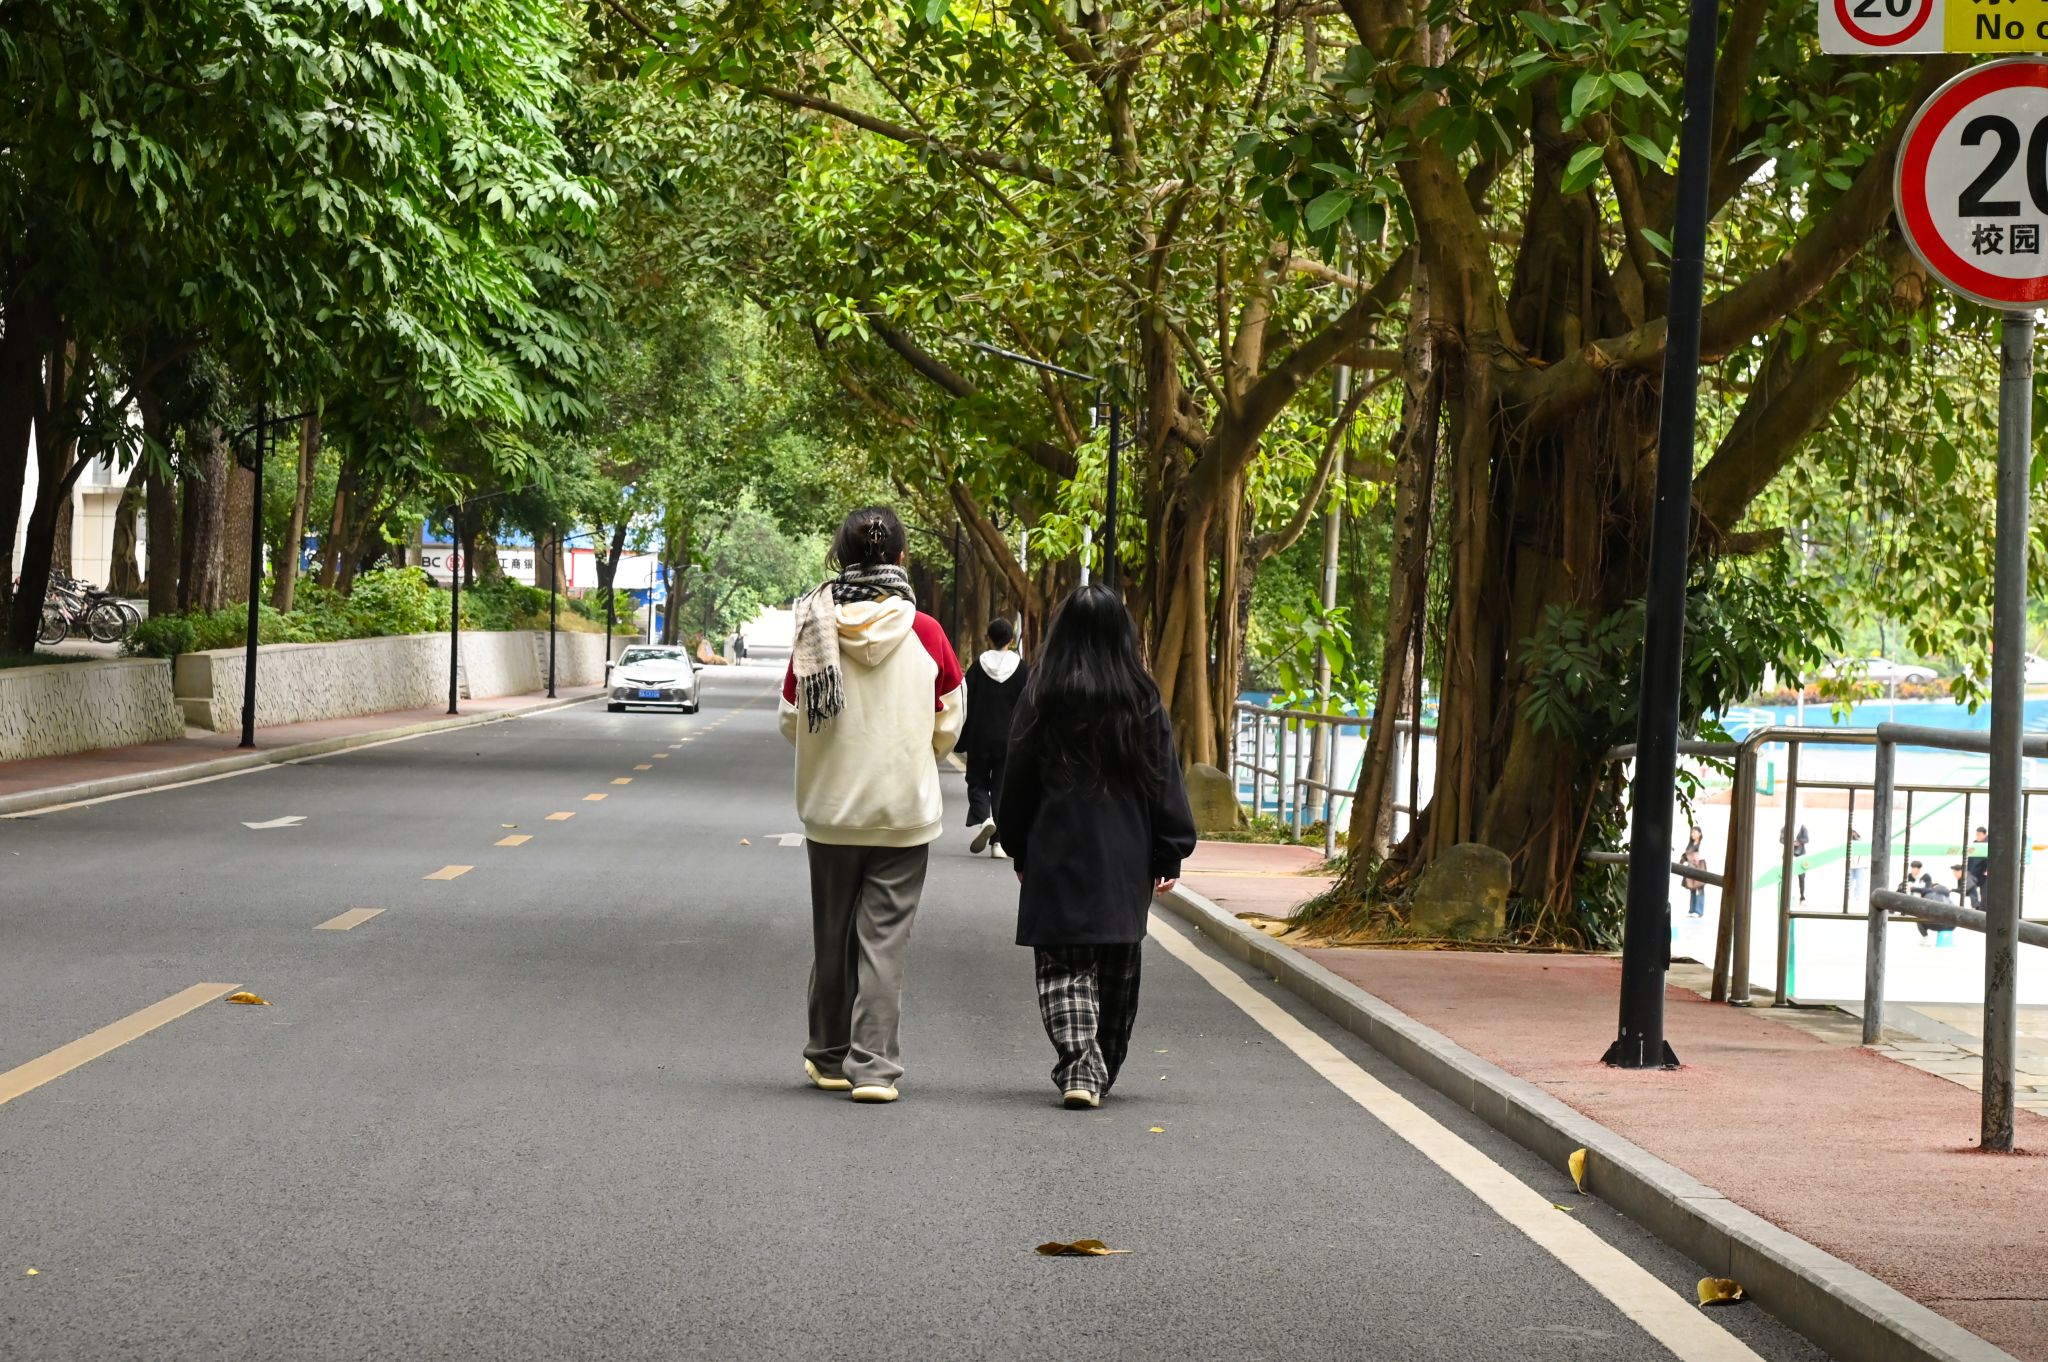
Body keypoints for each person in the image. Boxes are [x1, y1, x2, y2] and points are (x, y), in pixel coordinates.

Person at [780, 506, 965, 1104]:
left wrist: (829, 753)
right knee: (883, 943)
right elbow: (949, 720)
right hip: (904, 813)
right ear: (902, 558)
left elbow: (791, 718)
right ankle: (875, 1068)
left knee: (831, 936)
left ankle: (829, 1057)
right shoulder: (927, 633)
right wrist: (913, 755)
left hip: (831, 813)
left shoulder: (815, 627)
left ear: (839, 557)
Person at [1000, 585, 1198, 1110]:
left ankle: (1080, 1067)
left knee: (1061, 968)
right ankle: (1097, 1066)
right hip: (1124, 857)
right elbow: (1164, 780)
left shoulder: (1042, 696)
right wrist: (1170, 850)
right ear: (1121, 635)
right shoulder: (1141, 699)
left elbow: (1017, 780)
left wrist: (1018, 846)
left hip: (1056, 849)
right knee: (1117, 970)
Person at [959, 616, 1028, 859]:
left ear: (988, 638)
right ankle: (998, 844)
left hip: (980, 737)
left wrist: (962, 735)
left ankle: (984, 817)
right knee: (1001, 788)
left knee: (977, 781)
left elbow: (964, 701)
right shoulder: (1022, 669)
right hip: (1010, 739)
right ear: (1011, 639)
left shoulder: (978, 667)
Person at [1680, 826, 1708, 918]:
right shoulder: (1690, 845)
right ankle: (1692, 909)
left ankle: (1699, 911)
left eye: (1695, 832)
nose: (1693, 834)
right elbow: (1686, 855)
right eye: (1692, 832)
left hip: (1700, 867)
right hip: (1691, 868)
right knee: (1692, 889)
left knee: (1699, 889)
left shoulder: (1702, 844)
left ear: (1700, 833)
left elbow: (1702, 856)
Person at [1967, 826, 1990, 909]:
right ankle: (1979, 907)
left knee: (1984, 894)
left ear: (1985, 834)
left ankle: (1981, 909)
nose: (1977, 836)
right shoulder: (1976, 844)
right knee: (1979, 894)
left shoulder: (1986, 845)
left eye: (1979, 835)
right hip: (1976, 873)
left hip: (1982, 874)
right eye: (1977, 834)